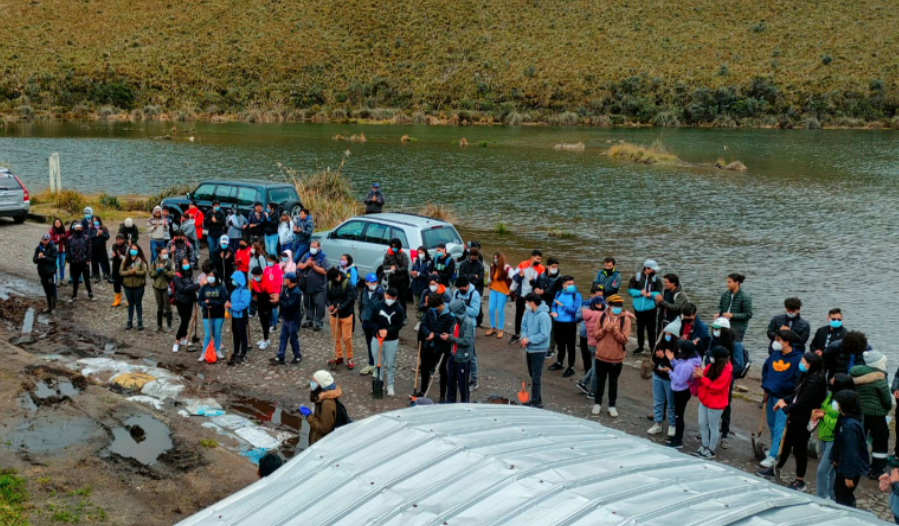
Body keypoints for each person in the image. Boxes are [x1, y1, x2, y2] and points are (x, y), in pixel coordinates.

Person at [758, 352, 828, 491]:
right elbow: (796, 394)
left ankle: (800, 481)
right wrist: (785, 400)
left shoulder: (816, 383)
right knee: (786, 444)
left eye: (803, 361)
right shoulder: (805, 377)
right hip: (795, 417)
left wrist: (786, 407)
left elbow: (804, 402)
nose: (801, 363)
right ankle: (776, 469)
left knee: (799, 450)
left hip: (804, 419)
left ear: (810, 364)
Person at [759, 329, 803, 468]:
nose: (775, 343)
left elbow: (797, 381)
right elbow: (765, 369)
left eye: (778, 340)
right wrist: (766, 384)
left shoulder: (797, 358)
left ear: (786, 343)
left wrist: (781, 389)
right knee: (771, 424)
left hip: (783, 398)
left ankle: (773, 456)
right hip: (770, 394)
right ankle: (775, 448)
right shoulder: (775, 354)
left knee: (779, 427)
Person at [850, 349, 892, 477]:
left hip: (860, 412)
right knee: (880, 441)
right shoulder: (880, 379)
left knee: (858, 439)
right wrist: (886, 409)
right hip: (877, 415)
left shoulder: (855, 374)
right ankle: (877, 469)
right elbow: (887, 401)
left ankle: (856, 465)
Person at [816, 374, 856, 500]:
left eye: (833, 381)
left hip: (833, 439)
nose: (830, 382)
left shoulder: (846, 403)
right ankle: (831, 496)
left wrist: (824, 417)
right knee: (831, 470)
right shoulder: (830, 395)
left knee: (822, 471)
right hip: (823, 435)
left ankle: (821, 498)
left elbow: (838, 423)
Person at [591, 295, 631, 417]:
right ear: (609, 305)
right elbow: (596, 335)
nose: (618, 308)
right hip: (601, 356)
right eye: (615, 306)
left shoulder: (626, 320)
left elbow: (624, 339)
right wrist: (604, 329)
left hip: (616, 358)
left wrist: (614, 330)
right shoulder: (602, 316)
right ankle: (597, 403)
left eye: (620, 306)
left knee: (613, 382)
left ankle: (612, 406)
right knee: (600, 381)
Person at [830, 389, 870, 507]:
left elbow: (851, 452)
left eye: (837, 401)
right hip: (844, 465)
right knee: (842, 494)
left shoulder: (849, 426)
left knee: (843, 496)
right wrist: (834, 458)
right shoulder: (846, 420)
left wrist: (849, 476)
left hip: (850, 468)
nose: (835, 403)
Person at [694, 346, 733, 460]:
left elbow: (716, 387)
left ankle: (711, 450)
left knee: (713, 426)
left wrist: (702, 378)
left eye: (712, 356)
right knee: (702, 423)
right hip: (706, 399)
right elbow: (705, 375)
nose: (710, 358)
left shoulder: (727, 371)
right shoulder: (712, 365)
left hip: (716, 403)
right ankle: (704, 446)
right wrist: (700, 374)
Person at [416, 293, 454, 401]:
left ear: (441, 304)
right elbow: (424, 325)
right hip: (429, 345)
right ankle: (423, 390)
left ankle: (442, 395)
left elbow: (448, 334)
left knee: (442, 371)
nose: (434, 309)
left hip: (442, 348)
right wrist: (428, 333)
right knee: (424, 367)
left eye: (436, 307)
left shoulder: (450, 316)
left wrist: (434, 336)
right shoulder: (430, 311)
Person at [666, 340, 702, 449]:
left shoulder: (688, 365)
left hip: (682, 392)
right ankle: (676, 437)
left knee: (679, 416)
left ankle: (678, 441)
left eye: (680, 348)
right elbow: (678, 367)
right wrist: (672, 360)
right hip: (678, 390)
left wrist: (669, 372)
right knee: (677, 415)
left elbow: (680, 380)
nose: (678, 350)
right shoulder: (684, 360)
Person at [519, 293, 552, 408]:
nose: (526, 305)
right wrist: (523, 337)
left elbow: (544, 335)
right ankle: (537, 398)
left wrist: (529, 340)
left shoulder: (544, 316)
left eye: (527, 302)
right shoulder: (528, 313)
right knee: (532, 374)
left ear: (532, 302)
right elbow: (524, 326)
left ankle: (536, 401)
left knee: (536, 375)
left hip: (539, 349)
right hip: (529, 348)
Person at [649, 319, 681, 437]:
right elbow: (654, 358)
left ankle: (672, 425)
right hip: (657, 375)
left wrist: (665, 358)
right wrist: (661, 358)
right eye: (666, 333)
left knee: (671, 404)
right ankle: (657, 423)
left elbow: (678, 366)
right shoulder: (660, 344)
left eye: (669, 334)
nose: (667, 336)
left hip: (670, 378)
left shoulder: (678, 347)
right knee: (658, 401)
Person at [548, 276, 582, 377]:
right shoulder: (559, 293)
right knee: (560, 344)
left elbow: (576, 310)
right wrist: (554, 312)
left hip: (570, 324)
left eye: (572, 284)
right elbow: (554, 305)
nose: (571, 286)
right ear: (563, 285)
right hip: (558, 323)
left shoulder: (576, 295)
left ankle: (571, 367)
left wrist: (563, 306)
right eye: (569, 284)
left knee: (571, 346)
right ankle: (559, 362)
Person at [451, 276, 481, 390]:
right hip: (457, 326)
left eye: (462, 288)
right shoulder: (457, 292)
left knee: (471, 355)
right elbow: (452, 306)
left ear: (467, 286)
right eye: (458, 288)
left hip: (469, 327)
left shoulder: (475, 294)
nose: (460, 290)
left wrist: (461, 307)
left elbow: (475, 312)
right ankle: (458, 376)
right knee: (455, 351)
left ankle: (474, 380)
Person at [442, 298, 474, 403]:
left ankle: (465, 404)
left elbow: (466, 341)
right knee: (450, 382)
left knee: (463, 385)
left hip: (463, 359)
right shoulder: (456, 321)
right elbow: (453, 334)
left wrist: (450, 338)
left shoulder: (468, 323)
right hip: (453, 355)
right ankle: (450, 403)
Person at [627, 259, 661, 354]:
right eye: (653, 269)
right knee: (639, 328)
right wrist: (639, 292)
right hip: (638, 308)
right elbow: (629, 290)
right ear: (647, 268)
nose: (655, 271)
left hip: (650, 308)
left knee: (651, 329)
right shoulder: (636, 278)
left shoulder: (656, 280)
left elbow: (659, 292)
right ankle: (640, 346)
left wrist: (651, 294)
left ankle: (652, 347)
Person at [373, 287, 404, 397]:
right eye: (388, 297)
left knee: (391, 363)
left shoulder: (399, 309)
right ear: (385, 295)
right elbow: (371, 321)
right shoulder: (377, 306)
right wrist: (378, 330)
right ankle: (378, 382)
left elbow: (399, 325)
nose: (389, 299)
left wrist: (388, 331)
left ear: (395, 298)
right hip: (377, 338)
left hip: (391, 340)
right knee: (378, 362)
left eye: (392, 298)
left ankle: (390, 385)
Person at [300, 371, 344, 446]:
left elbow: (324, 429)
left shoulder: (326, 403)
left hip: (321, 443)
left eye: (314, 381)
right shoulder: (321, 397)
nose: (312, 383)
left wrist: (309, 416)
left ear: (322, 384)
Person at [577, 293, 608, 397]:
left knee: (595, 366)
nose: (604, 306)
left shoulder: (588, 314)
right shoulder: (599, 315)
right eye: (602, 304)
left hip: (590, 343)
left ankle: (583, 382)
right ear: (598, 304)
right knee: (596, 369)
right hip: (598, 344)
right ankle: (593, 392)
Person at [510, 250, 544, 344]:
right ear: (532, 257)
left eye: (540, 259)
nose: (539, 261)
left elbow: (540, 284)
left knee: (531, 316)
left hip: (532, 297)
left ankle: (530, 336)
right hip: (521, 295)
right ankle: (517, 334)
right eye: (538, 258)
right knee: (518, 314)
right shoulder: (522, 264)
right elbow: (515, 278)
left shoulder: (541, 269)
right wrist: (520, 276)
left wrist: (533, 282)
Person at [325, 267, 356, 369]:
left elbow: (350, 299)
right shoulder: (330, 283)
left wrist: (339, 308)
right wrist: (329, 305)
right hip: (334, 315)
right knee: (335, 338)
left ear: (338, 276)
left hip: (346, 315)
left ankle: (350, 358)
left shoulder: (348, 284)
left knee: (347, 338)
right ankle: (339, 356)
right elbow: (327, 297)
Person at [269, 271, 302, 365]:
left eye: (285, 278)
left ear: (290, 280)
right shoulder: (286, 288)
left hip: (293, 319)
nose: (284, 280)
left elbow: (289, 305)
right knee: (283, 337)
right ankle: (280, 356)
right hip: (286, 317)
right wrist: (278, 297)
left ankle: (298, 355)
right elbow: (282, 298)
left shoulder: (296, 292)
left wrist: (278, 300)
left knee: (293, 338)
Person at [535, 257, 563, 357]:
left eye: (556, 266)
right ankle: (541, 344)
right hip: (541, 303)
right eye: (553, 266)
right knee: (540, 324)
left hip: (552, 304)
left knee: (551, 326)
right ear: (548, 266)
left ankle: (551, 348)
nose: (555, 268)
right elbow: (536, 285)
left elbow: (557, 293)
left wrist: (544, 292)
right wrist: (536, 290)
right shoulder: (541, 275)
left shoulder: (559, 278)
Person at [197, 270, 228, 362]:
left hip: (218, 314)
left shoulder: (221, 288)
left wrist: (212, 303)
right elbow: (200, 300)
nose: (210, 277)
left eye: (212, 276)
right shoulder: (204, 288)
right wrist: (205, 304)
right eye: (209, 276)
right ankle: (204, 353)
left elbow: (223, 300)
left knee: (217, 333)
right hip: (207, 314)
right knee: (207, 335)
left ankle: (217, 350)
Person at [298, 240, 328, 330]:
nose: (312, 248)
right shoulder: (307, 255)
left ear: (319, 247)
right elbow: (299, 266)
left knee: (320, 305)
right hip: (307, 286)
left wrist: (313, 266)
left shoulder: (323, 258)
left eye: (314, 247)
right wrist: (307, 264)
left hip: (319, 287)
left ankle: (318, 322)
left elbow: (324, 271)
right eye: (311, 246)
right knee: (308, 304)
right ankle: (308, 320)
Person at [172, 257, 200, 352]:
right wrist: (197, 285)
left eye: (187, 262)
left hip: (189, 300)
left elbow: (190, 285)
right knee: (184, 320)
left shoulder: (189, 273)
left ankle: (183, 338)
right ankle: (177, 340)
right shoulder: (177, 276)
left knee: (187, 320)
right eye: (184, 263)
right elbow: (183, 288)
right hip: (181, 301)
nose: (186, 264)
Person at [358, 273, 384, 375]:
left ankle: (377, 366)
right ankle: (371, 363)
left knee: (377, 345)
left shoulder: (380, 292)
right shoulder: (363, 292)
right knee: (369, 344)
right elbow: (361, 305)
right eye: (371, 282)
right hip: (366, 321)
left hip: (376, 323)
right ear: (366, 283)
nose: (374, 284)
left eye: (375, 282)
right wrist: (361, 316)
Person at [715, 272, 752, 343]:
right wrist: (718, 314)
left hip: (738, 327)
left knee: (735, 345)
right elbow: (720, 307)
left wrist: (732, 315)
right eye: (727, 282)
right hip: (724, 325)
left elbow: (748, 314)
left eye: (729, 282)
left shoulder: (745, 296)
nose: (727, 284)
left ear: (737, 282)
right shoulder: (725, 294)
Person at [120, 244, 148, 330]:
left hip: (138, 286)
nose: (133, 251)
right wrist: (129, 273)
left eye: (135, 249)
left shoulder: (141, 261)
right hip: (127, 286)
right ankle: (129, 321)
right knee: (130, 304)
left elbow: (144, 272)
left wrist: (136, 272)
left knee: (138, 304)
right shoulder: (125, 260)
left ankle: (140, 321)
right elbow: (121, 272)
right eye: (132, 249)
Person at [226, 271, 251, 366]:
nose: (233, 281)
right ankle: (236, 351)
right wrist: (228, 308)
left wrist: (231, 305)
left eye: (234, 279)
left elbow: (243, 304)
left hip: (241, 316)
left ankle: (243, 353)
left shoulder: (245, 292)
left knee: (242, 335)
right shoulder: (234, 291)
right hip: (234, 316)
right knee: (235, 334)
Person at [486, 252, 512, 339]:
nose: (495, 260)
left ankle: (500, 329)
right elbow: (490, 278)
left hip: (503, 291)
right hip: (493, 290)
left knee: (500, 310)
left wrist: (511, 290)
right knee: (491, 309)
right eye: (494, 258)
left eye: (497, 258)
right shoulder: (492, 267)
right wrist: (488, 284)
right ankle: (492, 327)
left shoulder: (507, 268)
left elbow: (515, 278)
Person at [457, 247, 485, 327]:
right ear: (469, 256)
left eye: (476, 257)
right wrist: (473, 276)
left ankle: (478, 322)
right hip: (466, 287)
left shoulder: (480, 265)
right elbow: (462, 276)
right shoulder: (463, 264)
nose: (474, 259)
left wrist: (470, 279)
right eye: (473, 257)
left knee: (477, 306)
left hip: (477, 288)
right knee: (466, 303)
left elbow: (480, 278)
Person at [382, 238, 410, 318]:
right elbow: (384, 266)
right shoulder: (387, 255)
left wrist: (396, 269)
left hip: (401, 280)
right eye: (392, 246)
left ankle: (403, 316)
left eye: (395, 246)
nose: (393, 248)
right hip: (392, 279)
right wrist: (390, 267)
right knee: (391, 298)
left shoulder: (403, 255)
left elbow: (405, 267)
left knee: (402, 299)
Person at [250, 266, 277, 350]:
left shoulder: (268, 282)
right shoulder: (255, 280)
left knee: (266, 322)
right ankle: (265, 338)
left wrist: (268, 306)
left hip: (267, 303)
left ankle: (265, 340)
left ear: (261, 275)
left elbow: (270, 296)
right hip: (260, 303)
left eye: (256, 276)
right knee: (262, 321)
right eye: (254, 276)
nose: (255, 278)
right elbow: (254, 290)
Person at [67, 223, 94, 302]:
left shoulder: (86, 238)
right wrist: (69, 259)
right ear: (74, 228)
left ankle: (90, 294)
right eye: (77, 227)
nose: (78, 229)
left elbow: (89, 249)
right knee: (75, 280)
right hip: (74, 262)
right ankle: (74, 295)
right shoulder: (70, 239)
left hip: (84, 262)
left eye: (80, 227)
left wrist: (88, 259)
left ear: (82, 228)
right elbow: (68, 250)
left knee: (86, 279)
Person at [151, 248, 174, 332]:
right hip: (157, 287)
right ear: (159, 254)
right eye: (164, 253)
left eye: (166, 253)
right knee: (159, 307)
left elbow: (172, 273)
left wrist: (164, 271)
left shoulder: (170, 262)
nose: (166, 254)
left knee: (168, 307)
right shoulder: (155, 262)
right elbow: (151, 274)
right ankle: (159, 325)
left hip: (166, 287)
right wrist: (157, 271)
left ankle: (169, 325)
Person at [33, 233, 58, 314]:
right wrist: (39, 258)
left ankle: (54, 307)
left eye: (46, 240)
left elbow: (53, 260)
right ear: (41, 240)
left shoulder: (53, 248)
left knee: (52, 289)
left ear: (49, 240)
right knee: (46, 290)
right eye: (43, 239)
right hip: (42, 273)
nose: (45, 241)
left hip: (51, 273)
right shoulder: (38, 248)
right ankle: (49, 307)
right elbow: (34, 260)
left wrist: (45, 257)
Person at [411, 246, 433, 322]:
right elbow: (412, 270)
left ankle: (423, 320)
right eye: (418, 252)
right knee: (416, 305)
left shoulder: (428, 263)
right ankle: (419, 320)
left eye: (421, 252)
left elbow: (428, 276)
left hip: (423, 287)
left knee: (424, 305)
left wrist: (419, 274)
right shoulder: (416, 261)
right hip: (415, 286)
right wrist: (413, 274)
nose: (420, 254)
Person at [263, 254, 283, 332]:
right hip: (267, 291)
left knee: (274, 309)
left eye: (270, 261)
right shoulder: (266, 269)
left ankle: (274, 324)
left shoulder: (278, 269)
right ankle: (269, 323)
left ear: (274, 261)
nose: (268, 262)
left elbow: (279, 282)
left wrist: (270, 282)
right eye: (267, 261)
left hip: (275, 292)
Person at [88, 215, 111, 283]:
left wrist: (101, 234)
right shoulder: (91, 228)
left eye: (96, 220)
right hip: (94, 248)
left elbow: (107, 236)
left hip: (102, 247)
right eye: (94, 220)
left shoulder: (103, 227)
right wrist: (96, 235)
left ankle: (107, 273)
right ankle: (97, 275)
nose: (95, 222)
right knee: (95, 262)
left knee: (105, 261)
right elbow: (89, 237)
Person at [48, 218, 68, 284]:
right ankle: (55, 280)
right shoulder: (51, 231)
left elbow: (66, 242)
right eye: (56, 222)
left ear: (61, 223)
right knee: (55, 266)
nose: (57, 224)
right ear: (54, 223)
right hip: (55, 251)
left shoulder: (63, 231)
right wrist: (58, 240)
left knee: (62, 265)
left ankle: (62, 279)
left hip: (62, 251)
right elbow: (50, 241)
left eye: (58, 222)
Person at [109, 234, 128, 307]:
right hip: (115, 268)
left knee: (125, 284)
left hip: (124, 268)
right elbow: (109, 256)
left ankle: (128, 300)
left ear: (123, 240)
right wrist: (112, 256)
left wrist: (120, 256)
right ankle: (117, 300)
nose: (119, 241)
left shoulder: (126, 247)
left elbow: (127, 258)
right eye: (117, 240)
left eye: (120, 240)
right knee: (116, 285)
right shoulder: (113, 246)